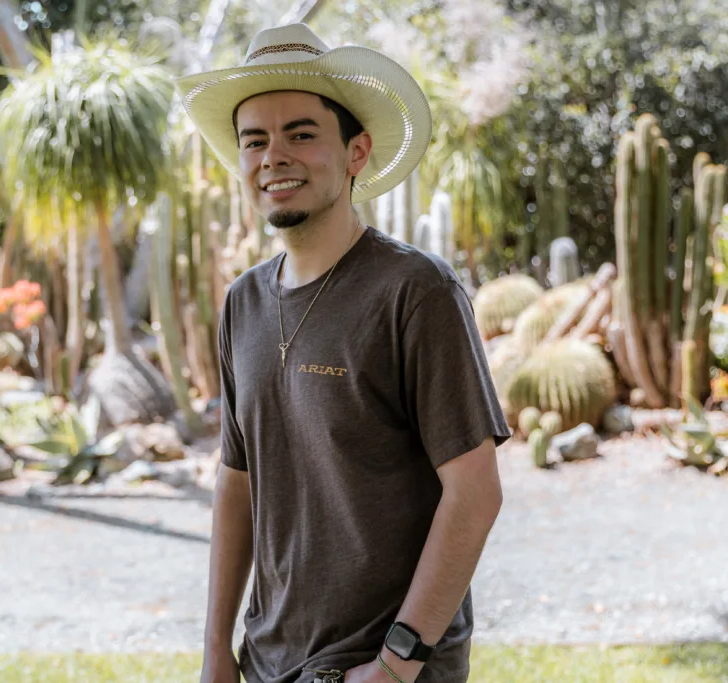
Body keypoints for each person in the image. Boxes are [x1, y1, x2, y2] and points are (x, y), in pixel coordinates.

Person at [175, 23, 512, 683]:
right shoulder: (243, 301)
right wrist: (217, 648)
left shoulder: (414, 290)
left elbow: (475, 491)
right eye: (255, 139)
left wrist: (396, 662)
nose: (274, 155)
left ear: (356, 152)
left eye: (301, 133)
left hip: (376, 666)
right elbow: (237, 481)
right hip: (268, 661)